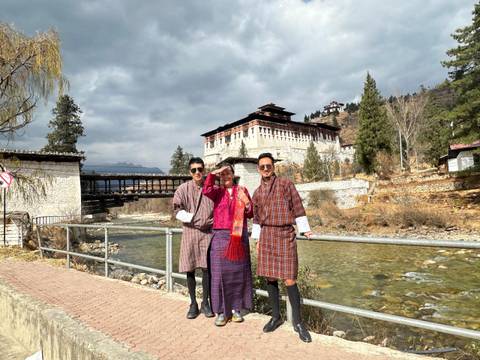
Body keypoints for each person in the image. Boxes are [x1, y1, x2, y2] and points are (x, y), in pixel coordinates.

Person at [251, 152, 313, 343]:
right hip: (267, 234)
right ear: (258, 169)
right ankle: (276, 317)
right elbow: (256, 218)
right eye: (262, 167)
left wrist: (305, 229)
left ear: (274, 167)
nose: (266, 169)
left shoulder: (286, 184)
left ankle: (298, 323)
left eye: (269, 166)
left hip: (285, 234)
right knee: (270, 278)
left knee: (289, 279)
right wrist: (257, 238)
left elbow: (298, 206)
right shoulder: (257, 192)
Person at [203, 163, 253, 326]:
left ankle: (237, 309)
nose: (225, 176)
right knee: (218, 276)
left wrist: (247, 205)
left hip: (239, 235)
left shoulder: (242, 191)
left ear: (233, 174)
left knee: (238, 274)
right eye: (222, 174)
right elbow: (206, 190)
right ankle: (221, 312)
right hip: (221, 236)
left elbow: (250, 212)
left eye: (228, 173)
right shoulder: (217, 192)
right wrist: (213, 174)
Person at [172, 157, 214, 319]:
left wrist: (210, 221)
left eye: (200, 169)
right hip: (190, 232)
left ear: (204, 171)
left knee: (206, 269)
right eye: (194, 170)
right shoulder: (182, 189)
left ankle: (205, 303)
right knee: (189, 268)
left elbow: (218, 209)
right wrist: (195, 220)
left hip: (207, 234)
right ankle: (193, 303)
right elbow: (177, 210)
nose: (197, 172)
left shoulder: (210, 188)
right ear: (190, 172)